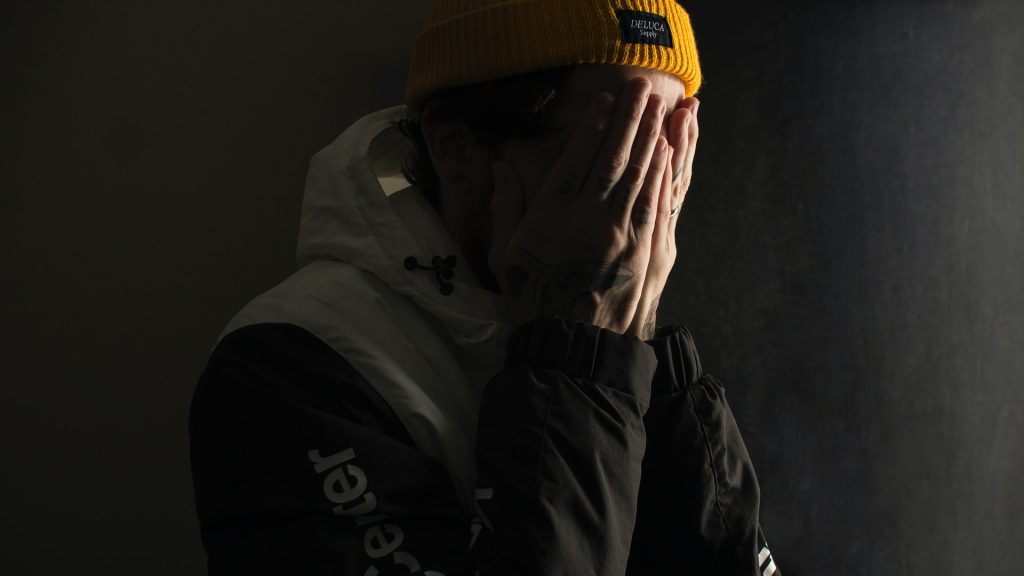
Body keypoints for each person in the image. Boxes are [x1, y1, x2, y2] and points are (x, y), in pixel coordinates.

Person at [189, 1, 780, 574]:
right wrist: (580, 346)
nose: (647, 195)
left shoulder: (639, 346)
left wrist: (640, 347)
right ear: (458, 149)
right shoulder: (287, 366)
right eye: (614, 149)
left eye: (668, 148)